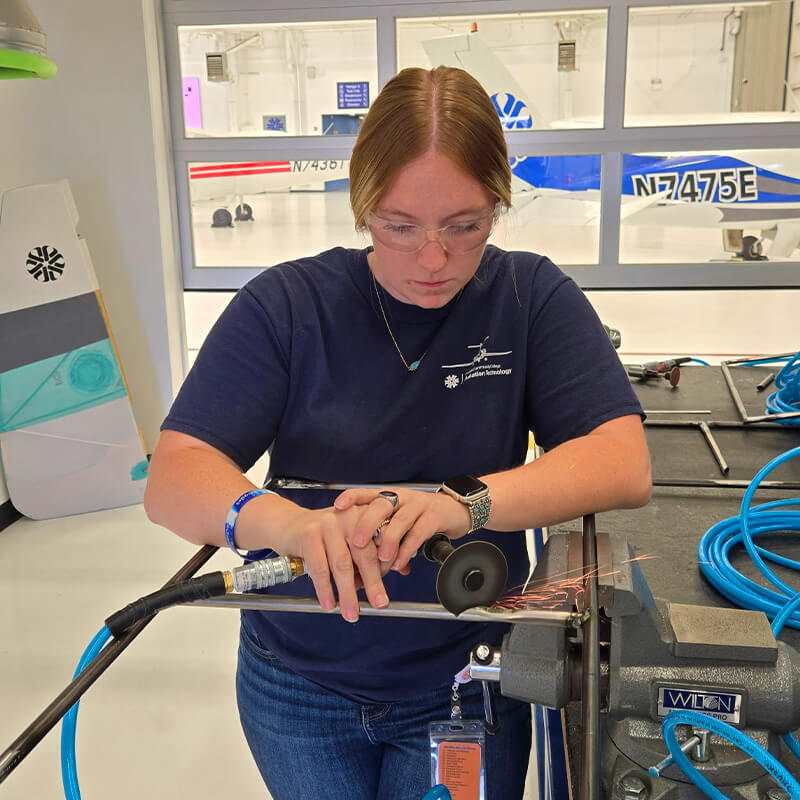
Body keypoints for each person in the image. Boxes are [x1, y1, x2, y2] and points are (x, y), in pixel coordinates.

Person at [144, 65, 651, 800]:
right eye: (400, 226)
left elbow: (621, 461)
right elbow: (175, 475)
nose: (433, 260)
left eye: (465, 226)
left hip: (469, 676)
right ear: (362, 206)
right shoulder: (285, 306)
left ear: (499, 203)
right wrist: (289, 525)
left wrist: (464, 504)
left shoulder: (529, 296)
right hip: (295, 686)